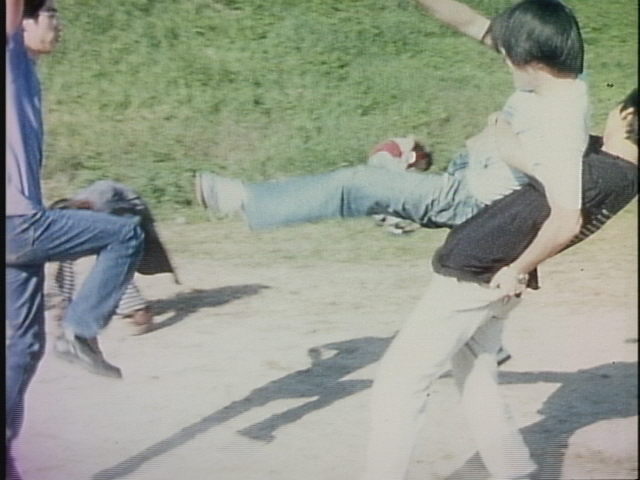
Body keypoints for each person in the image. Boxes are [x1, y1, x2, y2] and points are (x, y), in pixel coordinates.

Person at [361, 87, 637, 480]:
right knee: (476, 378)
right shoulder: (616, 171)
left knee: (400, 380)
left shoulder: (596, 173)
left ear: (626, 116)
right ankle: (513, 469)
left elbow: (563, 220)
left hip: (477, 275)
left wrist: (503, 127)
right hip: (494, 277)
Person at [195, 0, 589, 263]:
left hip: (468, 200)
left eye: (508, 57)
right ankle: (396, 209)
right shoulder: (556, 71)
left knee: (357, 183)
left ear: (529, 56)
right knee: (394, 155)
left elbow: (560, 195)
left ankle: (244, 199)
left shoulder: (563, 115)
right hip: (465, 175)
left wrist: (503, 135)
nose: (504, 61)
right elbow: (469, 21)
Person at [6, 1, 144, 478]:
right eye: (50, 15)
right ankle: (80, 330)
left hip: (18, 225)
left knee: (24, 345)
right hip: (16, 223)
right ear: (23, 23)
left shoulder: (24, 69)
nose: (59, 25)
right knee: (126, 233)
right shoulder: (8, 54)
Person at [47, 180, 180, 342]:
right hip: (107, 210)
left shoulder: (105, 204)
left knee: (111, 265)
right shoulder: (85, 208)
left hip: (122, 213)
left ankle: (138, 311)